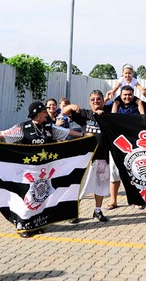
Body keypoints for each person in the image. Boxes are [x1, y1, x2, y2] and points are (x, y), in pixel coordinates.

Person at [0, 101, 83, 237]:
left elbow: (65, 132)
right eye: (43, 112)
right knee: (28, 199)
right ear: (36, 114)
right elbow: (4, 134)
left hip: (44, 172)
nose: (45, 114)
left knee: (41, 198)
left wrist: (83, 136)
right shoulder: (23, 128)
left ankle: (36, 223)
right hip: (27, 172)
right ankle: (23, 226)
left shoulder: (48, 127)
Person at [61, 90, 113, 223]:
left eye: (98, 99)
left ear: (103, 100)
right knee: (79, 186)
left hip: (102, 157)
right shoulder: (84, 114)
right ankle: (74, 213)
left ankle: (97, 210)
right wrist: (71, 106)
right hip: (86, 158)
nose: (96, 101)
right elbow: (64, 112)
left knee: (100, 186)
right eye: (93, 99)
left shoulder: (108, 116)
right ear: (90, 102)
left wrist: (104, 116)